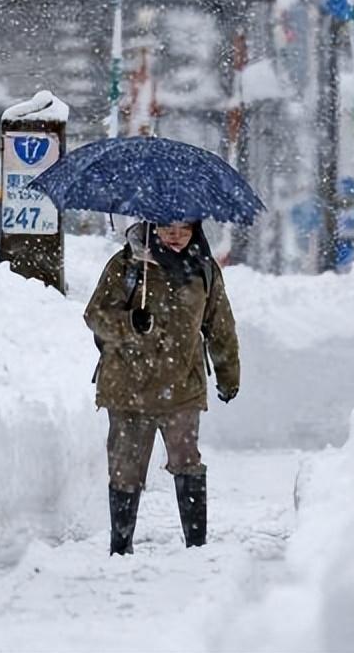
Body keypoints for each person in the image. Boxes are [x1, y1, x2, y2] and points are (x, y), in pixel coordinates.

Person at [84, 219, 240, 555]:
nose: (175, 235)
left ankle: (196, 546)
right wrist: (129, 324)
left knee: (188, 463)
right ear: (154, 227)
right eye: (168, 227)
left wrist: (229, 376)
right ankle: (120, 547)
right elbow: (95, 315)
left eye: (184, 229)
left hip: (182, 386)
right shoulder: (126, 265)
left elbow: (220, 325)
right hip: (127, 388)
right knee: (125, 469)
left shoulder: (204, 269)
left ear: (195, 230)